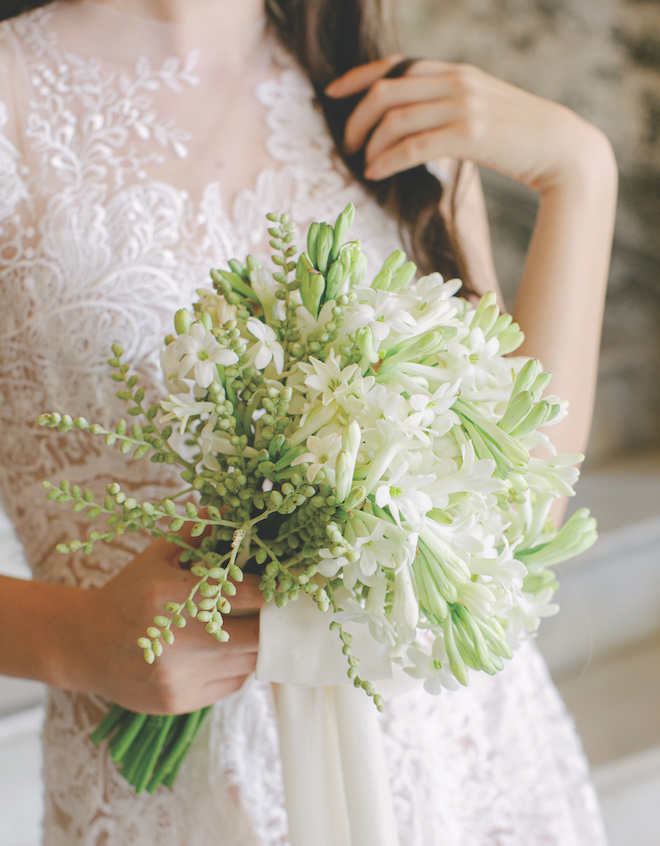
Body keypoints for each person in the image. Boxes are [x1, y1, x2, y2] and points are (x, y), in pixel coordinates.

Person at [0, 0, 616, 843]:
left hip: (463, 769)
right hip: (189, 801)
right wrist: (73, 640)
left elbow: (517, 510)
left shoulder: (381, 96)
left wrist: (579, 176)